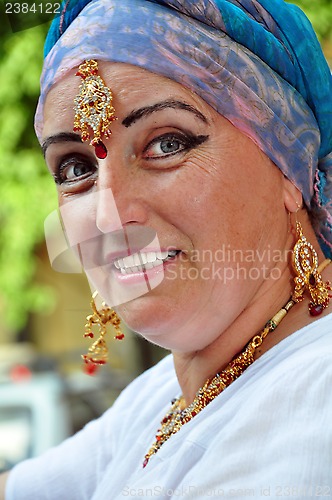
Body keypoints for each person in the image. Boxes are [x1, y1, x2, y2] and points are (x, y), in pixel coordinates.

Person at [1, 0, 332, 498]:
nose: (109, 217)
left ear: (287, 164)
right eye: (75, 169)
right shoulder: (167, 393)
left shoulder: (316, 400)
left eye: (167, 144)